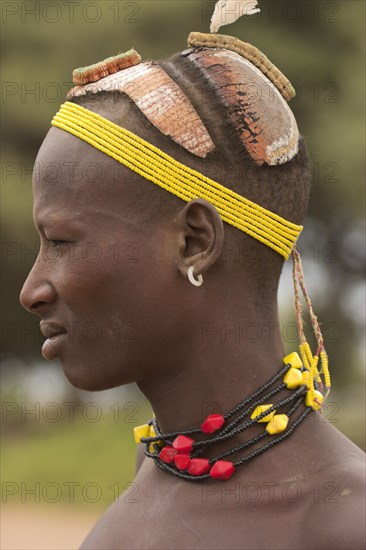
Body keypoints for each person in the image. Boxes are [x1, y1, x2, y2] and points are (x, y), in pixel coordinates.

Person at [20, 4, 365, 549]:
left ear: (194, 242)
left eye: (61, 242)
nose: (32, 290)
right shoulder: (157, 467)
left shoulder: (342, 523)